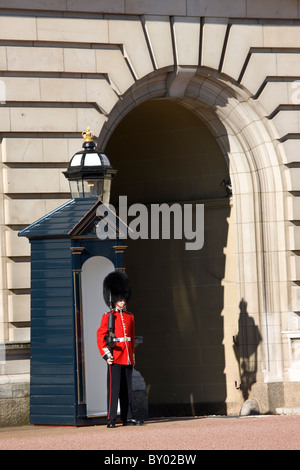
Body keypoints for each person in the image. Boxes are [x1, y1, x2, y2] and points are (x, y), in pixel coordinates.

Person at [97, 271, 143, 428]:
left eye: (124, 299)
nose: (123, 302)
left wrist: (133, 355)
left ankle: (128, 417)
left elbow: (131, 337)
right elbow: (100, 336)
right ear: (115, 299)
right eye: (120, 299)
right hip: (115, 355)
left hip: (127, 356)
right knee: (114, 389)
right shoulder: (108, 316)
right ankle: (110, 418)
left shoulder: (130, 317)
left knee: (127, 390)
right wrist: (106, 354)